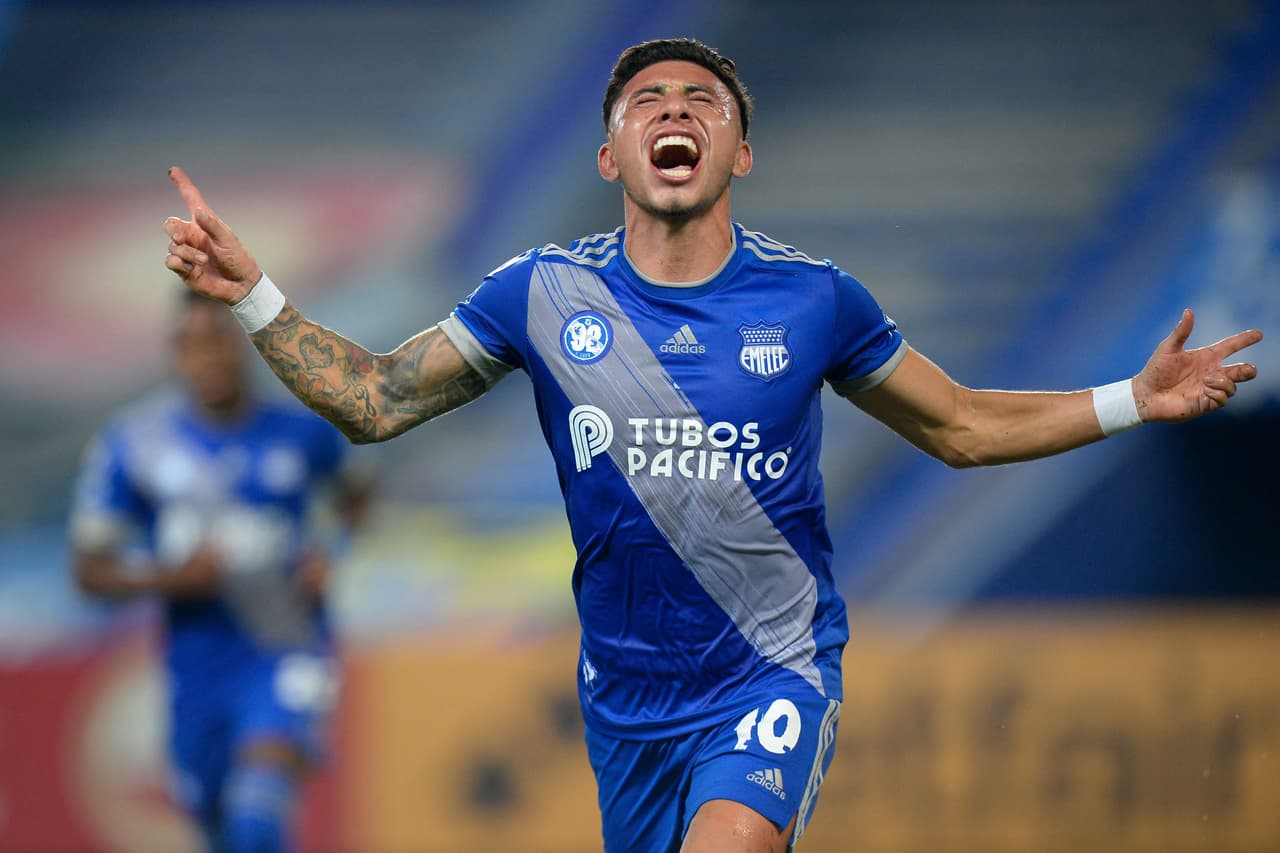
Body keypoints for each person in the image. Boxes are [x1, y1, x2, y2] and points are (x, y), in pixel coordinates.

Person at [160, 38, 1262, 853]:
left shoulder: (815, 300)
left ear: (739, 151)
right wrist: (254, 296)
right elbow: (376, 399)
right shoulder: (540, 294)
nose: (673, 109)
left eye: (701, 100)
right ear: (608, 154)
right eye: (646, 99)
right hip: (624, 699)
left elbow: (962, 426)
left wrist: (1128, 396)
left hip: (768, 673)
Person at [69, 289, 370, 852]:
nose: (207, 358)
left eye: (219, 343)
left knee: (257, 815)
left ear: (242, 348)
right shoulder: (135, 447)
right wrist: (170, 578)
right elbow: (89, 572)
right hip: (197, 670)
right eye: (191, 345)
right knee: (222, 832)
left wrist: (333, 549)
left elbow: (357, 494)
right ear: (175, 354)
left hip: (287, 646)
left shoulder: (300, 431)